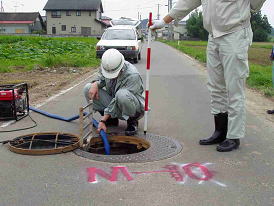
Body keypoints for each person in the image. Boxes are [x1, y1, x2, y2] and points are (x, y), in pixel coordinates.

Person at [151, 0, 267, 152]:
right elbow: (187, 3)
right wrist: (164, 21)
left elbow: (254, 4)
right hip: (213, 36)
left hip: (235, 34)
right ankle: (220, 131)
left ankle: (233, 136)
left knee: (234, 88)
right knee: (216, 87)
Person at [83, 49, 144, 136]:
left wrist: (102, 120)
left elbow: (117, 100)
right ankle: (111, 119)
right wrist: (95, 84)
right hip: (115, 99)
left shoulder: (132, 75)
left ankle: (132, 121)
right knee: (87, 88)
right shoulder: (106, 66)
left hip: (132, 105)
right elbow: (102, 79)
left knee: (121, 95)